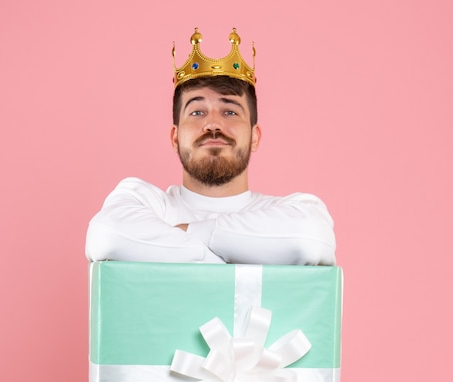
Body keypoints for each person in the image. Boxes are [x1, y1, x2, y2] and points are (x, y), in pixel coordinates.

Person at [85, 28, 335, 265]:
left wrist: (188, 232)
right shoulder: (145, 201)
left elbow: (309, 236)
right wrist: (223, 264)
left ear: (255, 136)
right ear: (175, 137)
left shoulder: (292, 210)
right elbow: (107, 233)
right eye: (196, 111)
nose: (212, 124)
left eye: (230, 111)